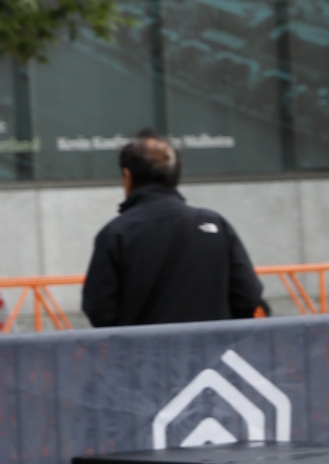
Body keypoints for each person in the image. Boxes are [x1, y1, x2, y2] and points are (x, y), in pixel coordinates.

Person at [81, 132, 264, 328]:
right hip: (211, 346)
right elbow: (248, 296)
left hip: (142, 347)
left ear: (127, 177)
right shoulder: (215, 224)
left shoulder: (116, 233)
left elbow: (99, 310)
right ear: (175, 177)